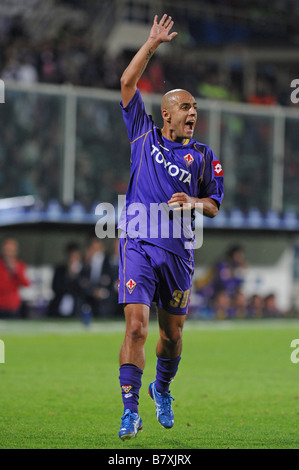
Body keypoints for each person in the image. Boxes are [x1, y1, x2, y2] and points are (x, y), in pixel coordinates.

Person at [117, 14, 224, 440]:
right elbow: (127, 84)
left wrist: (195, 201)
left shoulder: (203, 155)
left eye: (195, 107)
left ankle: (161, 388)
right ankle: (129, 410)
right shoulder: (142, 134)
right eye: (185, 106)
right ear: (166, 114)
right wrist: (151, 44)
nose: (193, 112)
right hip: (138, 241)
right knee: (136, 326)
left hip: (179, 252)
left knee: (172, 336)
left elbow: (214, 205)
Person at [48, 242, 83, 318]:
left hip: (76, 307)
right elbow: (55, 287)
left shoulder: (83, 271)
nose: (73, 260)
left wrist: (74, 275)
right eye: (72, 257)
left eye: (76, 257)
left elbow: (82, 289)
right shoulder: (59, 270)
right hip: (59, 306)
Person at [0, 237, 31, 318]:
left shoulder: (19, 266)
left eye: (11, 251)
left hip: (13, 305)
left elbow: (26, 283)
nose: (9, 253)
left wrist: (15, 270)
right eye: (7, 250)